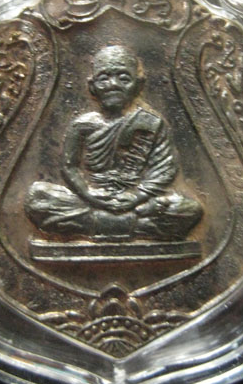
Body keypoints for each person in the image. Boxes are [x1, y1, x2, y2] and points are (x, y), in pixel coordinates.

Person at [25, 45, 203, 239]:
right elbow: (70, 166)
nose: (113, 85)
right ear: (92, 86)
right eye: (104, 78)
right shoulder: (82, 124)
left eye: (124, 78)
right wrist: (90, 194)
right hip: (91, 199)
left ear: (139, 85)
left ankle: (97, 224)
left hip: (137, 201)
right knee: (38, 196)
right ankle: (133, 226)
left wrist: (136, 196)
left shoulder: (152, 122)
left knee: (189, 209)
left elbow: (164, 170)